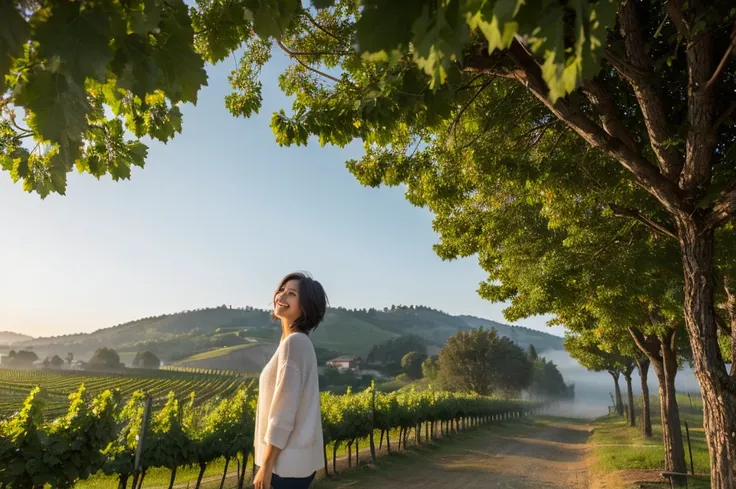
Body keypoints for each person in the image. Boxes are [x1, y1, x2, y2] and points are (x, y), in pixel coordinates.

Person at [253, 272, 328, 489]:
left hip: (282, 467)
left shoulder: (294, 343)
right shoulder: (296, 342)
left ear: (305, 307)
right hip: (292, 464)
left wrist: (266, 466)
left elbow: (283, 413)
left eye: (291, 293)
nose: (281, 296)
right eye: (282, 290)